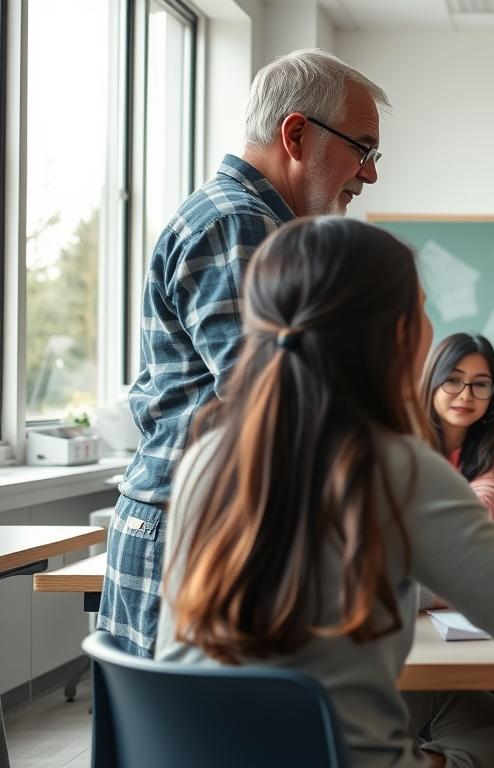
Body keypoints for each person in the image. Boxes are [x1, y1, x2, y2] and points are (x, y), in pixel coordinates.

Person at [157, 217, 494, 768]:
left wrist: (433, 593)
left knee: (470, 705)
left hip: (197, 750)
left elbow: (324, 587)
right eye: (419, 307)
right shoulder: (394, 465)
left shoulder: (210, 454)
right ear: (395, 332)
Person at [101, 49, 389, 656]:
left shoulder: (254, 221)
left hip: (196, 516)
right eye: (362, 149)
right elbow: (274, 397)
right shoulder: (241, 222)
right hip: (193, 523)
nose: (369, 175)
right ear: (295, 134)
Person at [420, 333, 494, 521]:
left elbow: (485, 503)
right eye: (453, 380)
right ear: (432, 381)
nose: (466, 395)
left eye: (480, 384)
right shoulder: (404, 438)